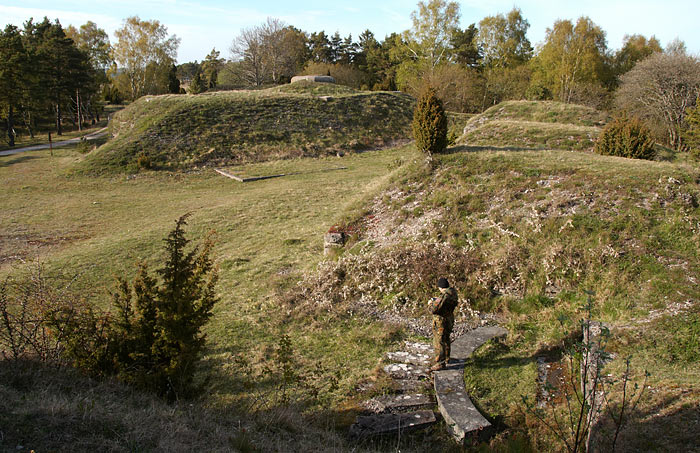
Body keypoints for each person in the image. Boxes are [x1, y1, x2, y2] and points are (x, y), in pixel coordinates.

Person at [427, 277, 459, 372]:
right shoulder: (453, 293)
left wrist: (430, 303)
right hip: (449, 319)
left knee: (439, 341)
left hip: (441, 322)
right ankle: (447, 358)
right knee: (446, 338)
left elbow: (433, 310)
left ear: (440, 287)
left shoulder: (443, 297)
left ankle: (440, 363)